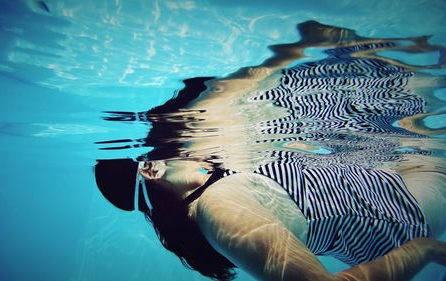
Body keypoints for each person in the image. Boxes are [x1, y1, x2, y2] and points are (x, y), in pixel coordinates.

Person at [94, 21, 446, 281]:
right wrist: (423, 250)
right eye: (162, 157)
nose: (182, 153)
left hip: (389, 187)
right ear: (152, 169)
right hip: (407, 212)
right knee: (417, 90)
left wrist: (293, 51)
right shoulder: (220, 210)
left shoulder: (215, 194)